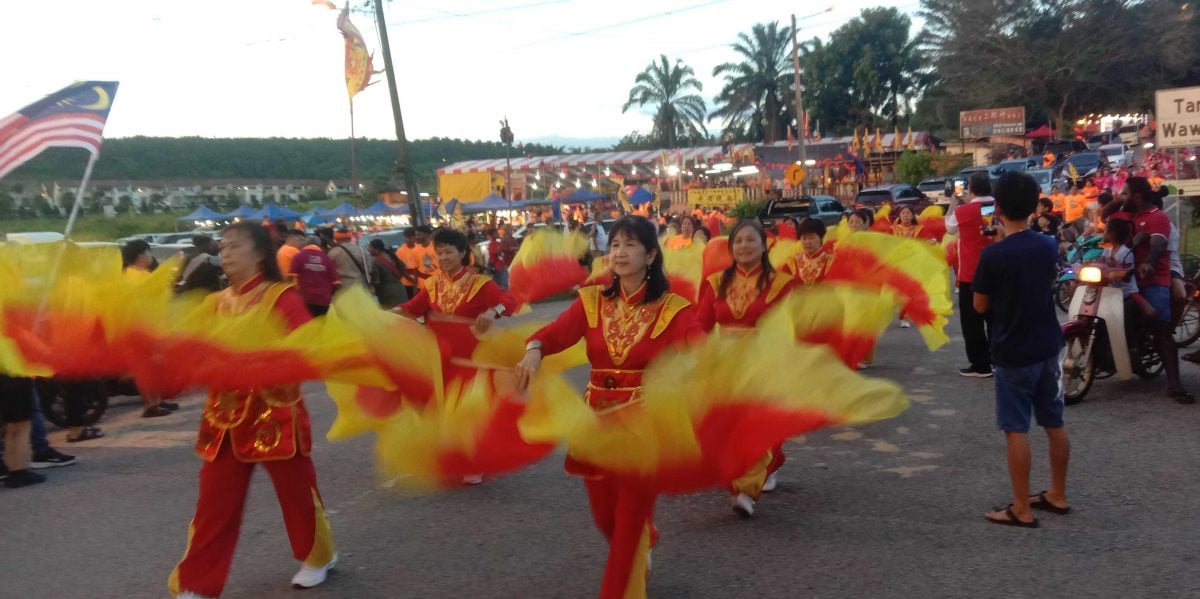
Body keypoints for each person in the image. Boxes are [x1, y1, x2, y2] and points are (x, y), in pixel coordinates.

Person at [513, 216, 701, 599]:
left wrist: (675, 382)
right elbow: (550, 335)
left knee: (627, 530)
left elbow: (699, 354)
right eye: (614, 244)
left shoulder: (674, 309)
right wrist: (533, 352)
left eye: (630, 245)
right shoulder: (592, 301)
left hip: (644, 428)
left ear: (650, 254)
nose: (619, 252)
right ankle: (643, 539)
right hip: (595, 425)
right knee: (606, 521)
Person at [169, 222, 336, 598]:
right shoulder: (215, 302)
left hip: (273, 415)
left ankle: (317, 556)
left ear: (259, 253)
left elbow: (308, 345)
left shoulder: (281, 297)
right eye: (222, 247)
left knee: (297, 495)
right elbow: (188, 346)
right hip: (223, 419)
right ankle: (197, 583)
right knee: (213, 505)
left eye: (233, 247)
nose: (224, 254)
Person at [972, 171, 1069, 528]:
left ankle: (1021, 508)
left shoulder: (994, 255)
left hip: (1013, 349)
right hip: (1047, 344)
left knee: (1016, 428)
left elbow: (980, 305)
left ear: (996, 208)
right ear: (1033, 206)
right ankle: (1057, 493)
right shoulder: (1047, 244)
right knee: (1054, 422)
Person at [695, 220, 794, 517]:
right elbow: (701, 325)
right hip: (724, 364)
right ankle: (761, 469)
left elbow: (790, 326)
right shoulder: (715, 282)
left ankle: (746, 489)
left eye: (750, 240)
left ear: (764, 245)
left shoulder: (782, 283)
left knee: (760, 425)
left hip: (764, 361)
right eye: (737, 241)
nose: (743, 246)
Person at [394, 228, 517, 390]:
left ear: (461, 253)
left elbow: (509, 302)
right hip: (440, 359)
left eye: (448, 252)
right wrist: (380, 314)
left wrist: (493, 311)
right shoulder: (432, 284)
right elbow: (410, 309)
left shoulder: (479, 283)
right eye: (439, 253)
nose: (443, 257)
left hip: (474, 359)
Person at [1125, 178, 1193, 403]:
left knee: (1162, 329)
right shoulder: (1128, 216)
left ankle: (1175, 384)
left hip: (1153, 280)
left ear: (1136, 196)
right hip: (1125, 278)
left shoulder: (1158, 217)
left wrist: (1149, 263)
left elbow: (1157, 244)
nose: (1122, 197)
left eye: (1125, 193)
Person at [946, 171, 996, 378]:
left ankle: (980, 364)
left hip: (971, 273)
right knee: (996, 318)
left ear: (971, 189)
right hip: (998, 270)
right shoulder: (998, 207)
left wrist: (953, 203)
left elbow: (949, 227)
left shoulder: (964, 210)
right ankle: (998, 358)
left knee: (972, 321)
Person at [1, 376, 45, 488]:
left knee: (11, 429)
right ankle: (19, 471)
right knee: (22, 427)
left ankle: (13, 471)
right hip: (16, 379)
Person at [291, 236, 340, 317]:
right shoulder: (327, 259)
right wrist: (329, 293)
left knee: (307, 325)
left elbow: (291, 278)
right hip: (323, 300)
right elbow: (336, 283)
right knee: (320, 324)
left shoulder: (298, 257)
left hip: (305, 298)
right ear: (319, 245)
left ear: (305, 244)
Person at [781, 218, 834, 286]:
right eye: (804, 238)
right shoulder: (792, 261)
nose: (807, 242)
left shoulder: (831, 260)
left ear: (821, 238)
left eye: (811, 238)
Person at [368, 238, 409, 309]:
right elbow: (403, 268)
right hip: (401, 290)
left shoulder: (376, 262)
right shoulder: (391, 256)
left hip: (388, 294)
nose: (368, 250)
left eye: (370, 247)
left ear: (377, 249)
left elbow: (376, 282)